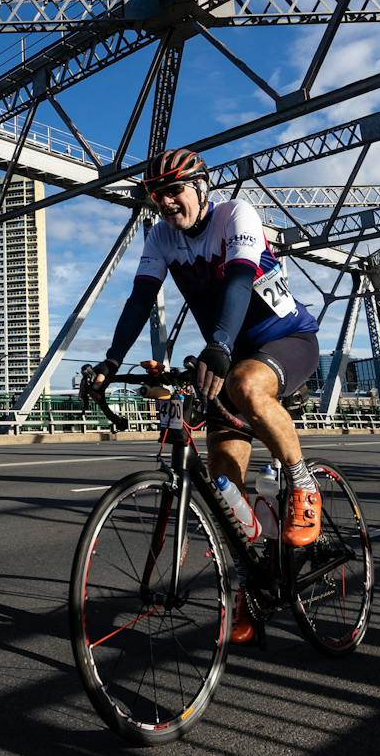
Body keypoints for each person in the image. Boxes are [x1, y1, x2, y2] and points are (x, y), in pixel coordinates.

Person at [91, 148, 324, 644]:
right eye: (159, 196)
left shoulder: (235, 214)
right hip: (229, 347)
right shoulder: (161, 234)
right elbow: (139, 298)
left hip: (284, 338)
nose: (167, 203)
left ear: (201, 186)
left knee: (244, 384)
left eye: (175, 191)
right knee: (223, 482)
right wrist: (112, 361)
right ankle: (249, 585)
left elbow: (240, 279)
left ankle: (303, 484)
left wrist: (217, 347)